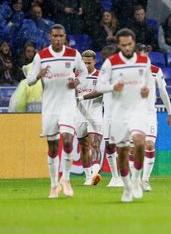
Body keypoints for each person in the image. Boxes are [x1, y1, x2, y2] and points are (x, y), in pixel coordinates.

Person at [27, 24, 88, 199]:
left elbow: (83, 74)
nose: (58, 39)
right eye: (55, 36)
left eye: (61, 36)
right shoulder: (42, 56)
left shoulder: (73, 54)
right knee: (52, 147)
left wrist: (76, 82)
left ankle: (66, 179)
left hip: (67, 104)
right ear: (50, 37)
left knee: (68, 140)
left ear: (65, 36)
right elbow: (29, 80)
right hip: (49, 106)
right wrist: (39, 74)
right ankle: (54, 184)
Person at [96, 28, 153, 202]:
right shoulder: (111, 62)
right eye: (123, 45)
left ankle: (136, 180)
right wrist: (113, 87)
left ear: (134, 43)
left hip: (138, 110)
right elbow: (99, 86)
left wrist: (146, 93)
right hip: (119, 113)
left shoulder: (144, 61)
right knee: (121, 152)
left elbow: (150, 86)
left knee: (139, 143)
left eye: (129, 44)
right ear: (119, 45)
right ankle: (127, 187)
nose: (127, 48)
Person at [131, 43, 171, 191]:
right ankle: (134, 180)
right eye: (140, 53)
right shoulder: (127, 71)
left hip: (149, 113)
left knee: (149, 145)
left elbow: (163, 92)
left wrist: (170, 113)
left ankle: (145, 180)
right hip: (132, 113)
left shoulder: (156, 71)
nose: (143, 56)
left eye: (146, 53)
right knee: (133, 148)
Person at [75, 50, 104, 186]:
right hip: (79, 115)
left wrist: (81, 97)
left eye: (89, 63)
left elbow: (99, 91)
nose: (86, 65)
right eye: (84, 62)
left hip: (95, 114)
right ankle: (88, 177)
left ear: (95, 61)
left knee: (95, 144)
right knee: (84, 146)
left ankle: (94, 173)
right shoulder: (75, 77)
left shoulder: (100, 76)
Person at [100, 44, 123, 187]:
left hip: (120, 115)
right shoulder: (103, 75)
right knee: (109, 145)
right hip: (107, 115)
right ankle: (115, 177)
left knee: (122, 146)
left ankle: (123, 176)